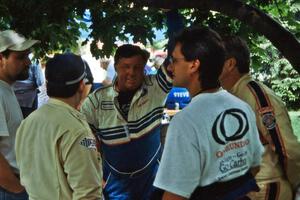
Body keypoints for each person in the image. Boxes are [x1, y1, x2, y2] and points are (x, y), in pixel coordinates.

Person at [153, 27, 265, 200]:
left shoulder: (185, 121)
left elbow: (174, 195)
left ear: (193, 65)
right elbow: (255, 165)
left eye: (174, 60)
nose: (169, 66)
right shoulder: (242, 107)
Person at [81, 44, 172, 199]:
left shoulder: (156, 88)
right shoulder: (96, 100)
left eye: (137, 67)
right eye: (126, 67)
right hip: (115, 185)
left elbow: (174, 54)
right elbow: (84, 140)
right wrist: (97, 176)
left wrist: (173, 18)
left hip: (153, 181)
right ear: (115, 67)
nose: (131, 72)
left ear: (144, 68)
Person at [219, 36, 300, 200]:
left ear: (230, 64)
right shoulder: (232, 95)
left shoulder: (257, 95)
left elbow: (287, 150)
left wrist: (296, 184)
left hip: (265, 189)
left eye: (215, 59)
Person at [15, 53, 102, 199]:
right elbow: (88, 193)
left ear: (47, 85)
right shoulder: (76, 130)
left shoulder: (28, 122)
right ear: (81, 85)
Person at [0, 29, 39, 199]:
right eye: (20, 57)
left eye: (27, 56)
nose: (28, 62)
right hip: (8, 189)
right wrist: (17, 190)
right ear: (1, 59)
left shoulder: (6, 89)